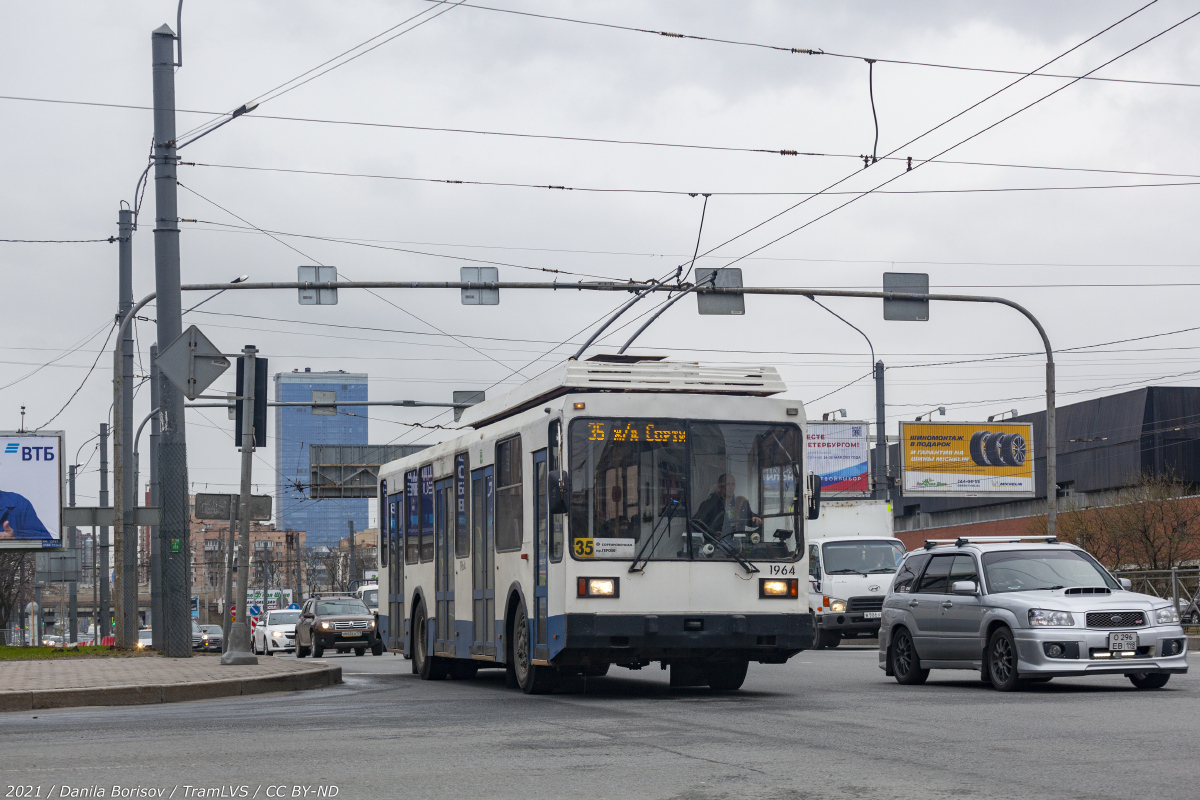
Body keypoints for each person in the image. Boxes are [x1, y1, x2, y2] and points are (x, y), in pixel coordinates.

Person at [694, 473, 761, 536]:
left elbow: (750, 519)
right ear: (719, 485)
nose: (731, 487)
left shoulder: (741, 504)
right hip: (716, 545)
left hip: (737, 545)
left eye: (733, 484)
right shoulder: (709, 505)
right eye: (728, 484)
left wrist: (756, 520)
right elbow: (696, 524)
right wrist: (712, 534)